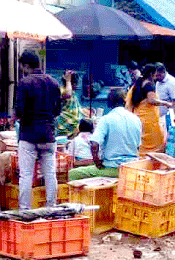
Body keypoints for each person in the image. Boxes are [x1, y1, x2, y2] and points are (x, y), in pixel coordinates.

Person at [15, 50, 61, 210]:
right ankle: (51, 206)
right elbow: (58, 110)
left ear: (26, 65)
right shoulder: (54, 83)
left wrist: (19, 117)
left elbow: (19, 110)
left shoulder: (24, 83)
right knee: (50, 173)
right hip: (48, 135)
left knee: (26, 175)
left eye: (22, 66)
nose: (22, 70)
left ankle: (24, 209)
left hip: (28, 135)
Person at [68, 88, 141, 181]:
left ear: (109, 103)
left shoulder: (106, 119)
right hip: (132, 167)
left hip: (114, 168)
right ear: (125, 101)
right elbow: (138, 147)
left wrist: (97, 161)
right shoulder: (136, 119)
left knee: (73, 173)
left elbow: (94, 144)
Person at [126, 64, 169, 153]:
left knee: (141, 143)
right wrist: (165, 103)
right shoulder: (149, 85)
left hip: (138, 118)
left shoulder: (138, 83)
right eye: (155, 73)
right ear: (151, 74)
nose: (156, 75)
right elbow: (151, 100)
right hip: (149, 121)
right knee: (154, 145)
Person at [55, 70, 86, 138]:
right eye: (75, 83)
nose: (77, 86)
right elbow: (68, 95)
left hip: (75, 127)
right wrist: (68, 80)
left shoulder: (74, 93)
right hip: (65, 126)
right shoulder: (63, 90)